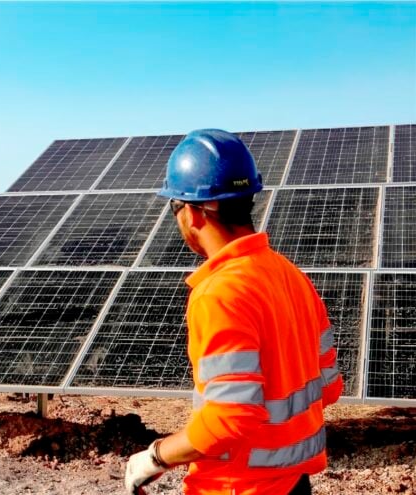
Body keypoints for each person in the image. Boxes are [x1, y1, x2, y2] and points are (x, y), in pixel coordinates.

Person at [124, 129, 343, 495]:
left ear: (192, 212)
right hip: (294, 484)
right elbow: (330, 387)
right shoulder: (291, 276)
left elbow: (230, 417)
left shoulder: (220, 293)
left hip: (236, 486)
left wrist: (156, 456)